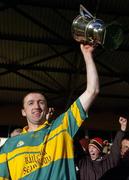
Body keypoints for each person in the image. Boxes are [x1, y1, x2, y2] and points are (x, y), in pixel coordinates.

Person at [0, 44, 99, 180]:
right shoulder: (9, 145)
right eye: (30, 103)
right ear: (23, 111)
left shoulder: (62, 127)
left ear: (46, 108)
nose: (36, 106)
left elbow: (92, 91)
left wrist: (87, 55)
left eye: (41, 102)